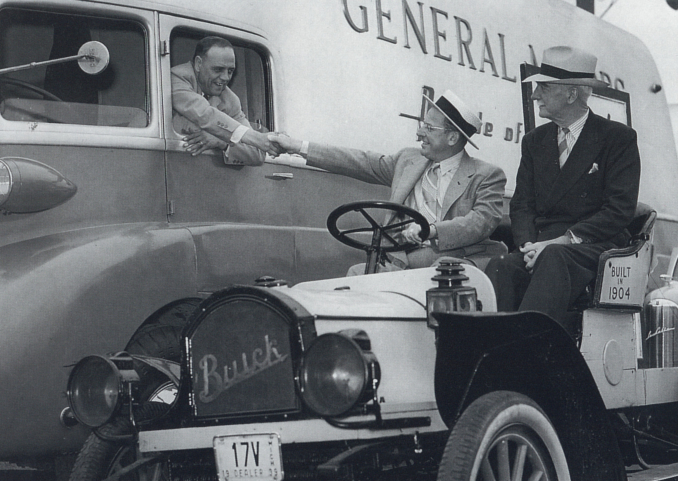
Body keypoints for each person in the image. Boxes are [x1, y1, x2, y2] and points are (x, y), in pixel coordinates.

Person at [486, 46, 641, 334]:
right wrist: (529, 246)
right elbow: (522, 206)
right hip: (541, 247)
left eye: (543, 88)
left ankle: (524, 349)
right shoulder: (534, 141)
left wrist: (562, 241)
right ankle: (496, 347)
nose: (534, 96)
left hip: (593, 245)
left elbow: (619, 211)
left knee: (554, 258)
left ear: (571, 94)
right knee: (501, 265)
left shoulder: (617, 138)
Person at [267, 90, 507, 273]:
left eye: (429, 128)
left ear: (452, 137)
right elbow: (356, 161)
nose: (419, 133)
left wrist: (430, 231)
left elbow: (479, 223)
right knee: (358, 274)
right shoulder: (407, 160)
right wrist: (298, 147)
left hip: (452, 264)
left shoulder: (486, 175)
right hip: (401, 261)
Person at [170, 36, 278, 165]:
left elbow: (257, 154)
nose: (226, 77)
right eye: (218, 69)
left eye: (230, 71)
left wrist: (221, 141)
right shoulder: (175, 78)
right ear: (199, 64)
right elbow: (205, 114)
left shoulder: (229, 99)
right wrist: (254, 137)